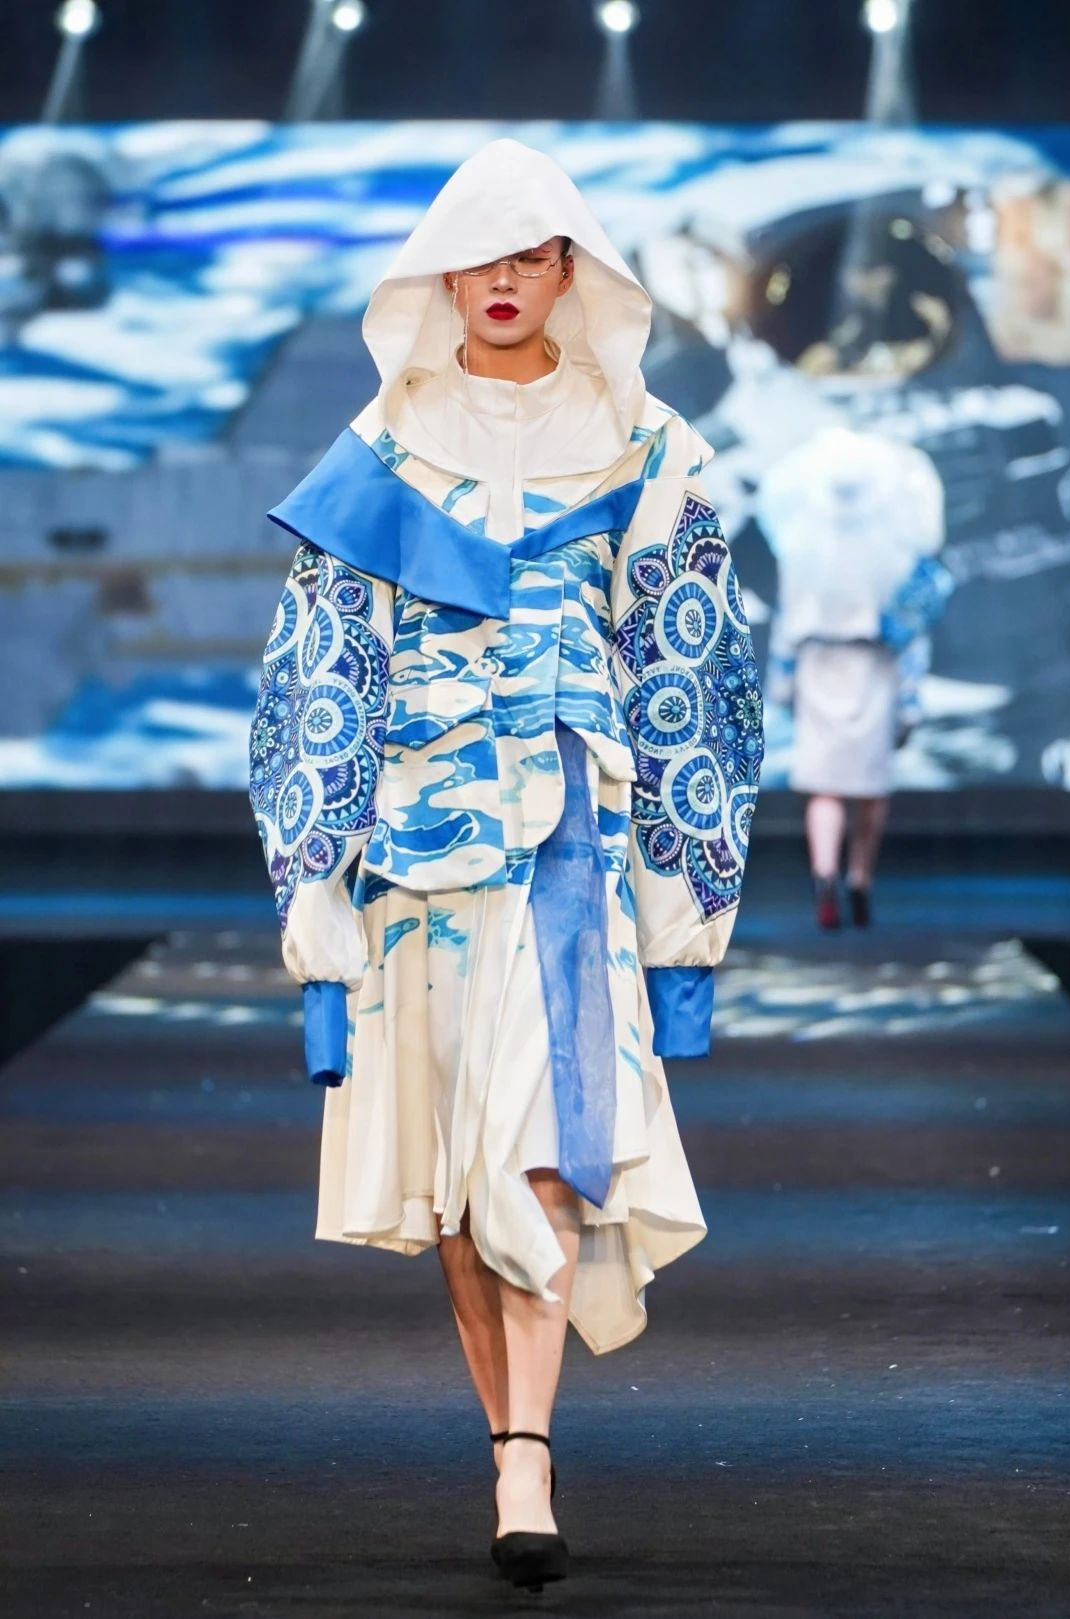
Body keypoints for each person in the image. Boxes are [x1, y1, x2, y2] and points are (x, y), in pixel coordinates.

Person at [247, 137, 764, 1590]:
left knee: (547, 1145)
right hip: (417, 859)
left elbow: (693, 673)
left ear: (571, 273)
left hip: (571, 852)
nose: (502, 281)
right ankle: (508, 1443)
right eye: (479, 257)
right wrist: (315, 890)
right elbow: (320, 677)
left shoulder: (648, 445)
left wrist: (688, 906)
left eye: (531, 256)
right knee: (457, 1187)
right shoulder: (383, 451)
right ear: (440, 274)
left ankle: (527, 1457)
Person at [758, 424, 953, 929]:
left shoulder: (802, 540)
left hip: (818, 663)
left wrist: (780, 683)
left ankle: (824, 875)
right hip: (874, 665)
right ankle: (860, 876)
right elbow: (911, 625)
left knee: (824, 784)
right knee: (868, 785)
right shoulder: (896, 541)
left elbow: (787, 621)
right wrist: (912, 698)